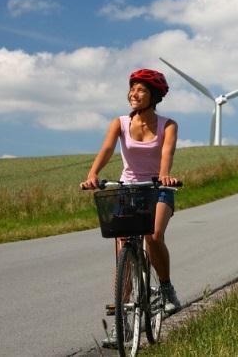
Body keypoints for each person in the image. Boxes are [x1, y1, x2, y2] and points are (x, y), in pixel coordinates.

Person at [80, 68, 181, 346]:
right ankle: (120, 327)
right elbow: (107, 149)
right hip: (127, 189)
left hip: (157, 188)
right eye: (132, 89)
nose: (134, 94)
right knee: (122, 256)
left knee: (154, 235)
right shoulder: (120, 122)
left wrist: (164, 176)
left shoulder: (168, 125)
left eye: (141, 90)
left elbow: (167, 154)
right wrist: (92, 175)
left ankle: (166, 288)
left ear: (154, 96)